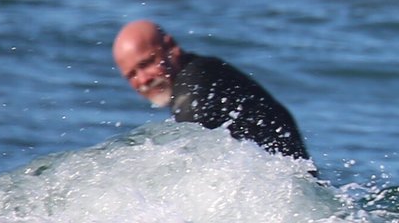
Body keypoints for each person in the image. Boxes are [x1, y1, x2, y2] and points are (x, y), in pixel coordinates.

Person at [112, 20, 309, 164]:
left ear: (171, 48)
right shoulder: (203, 74)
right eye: (132, 75)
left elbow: (189, 161)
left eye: (147, 64)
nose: (143, 80)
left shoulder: (196, 85)